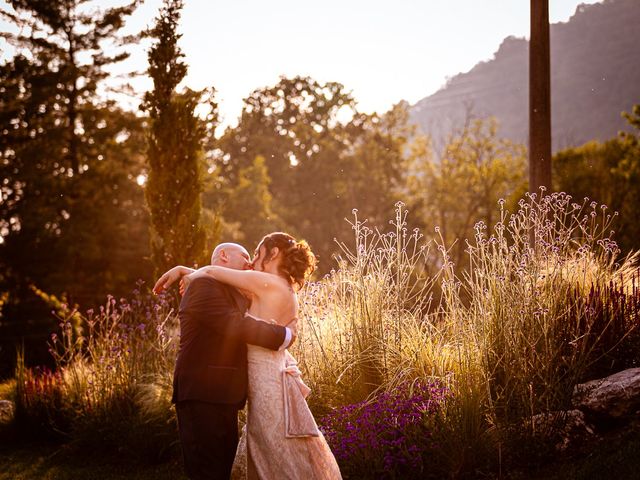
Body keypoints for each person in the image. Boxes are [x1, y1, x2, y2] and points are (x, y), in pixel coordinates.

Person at [155, 232, 342, 479]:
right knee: (221, 465)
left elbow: (215, 274)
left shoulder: (256, 284)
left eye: (255, 254)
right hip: (204, 392)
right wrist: (284, 335)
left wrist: (185, 270)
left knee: (265, 450)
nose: (250, 262)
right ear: (223, 256)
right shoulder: (213, 286)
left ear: (273, 253)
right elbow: (233, 320)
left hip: (243, 388)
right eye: (246, 256)